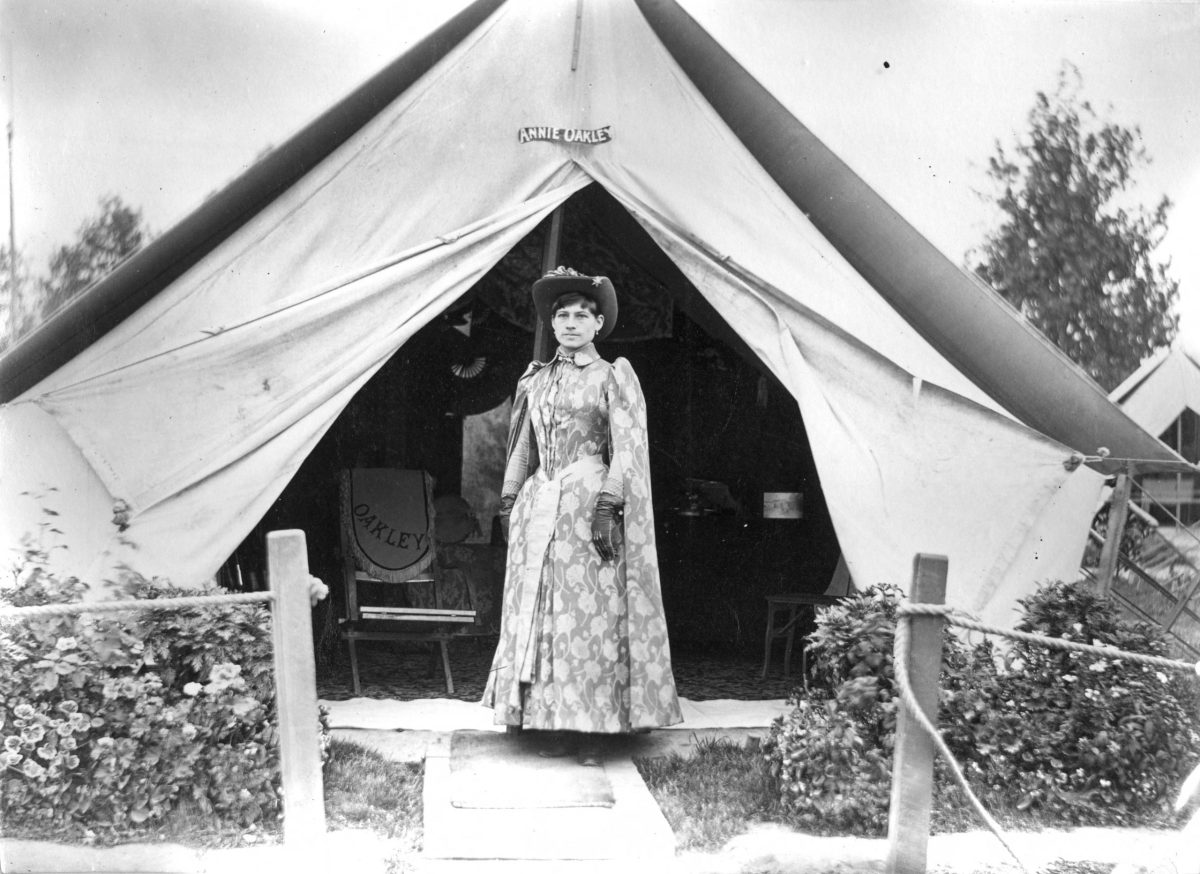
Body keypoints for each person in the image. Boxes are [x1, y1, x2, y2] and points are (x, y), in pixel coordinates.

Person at [482, 266, 682, 765]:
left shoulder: (612, 375)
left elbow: (627, 448)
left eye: (581, 316)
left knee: (587, 617)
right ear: (552, 324)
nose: (571, 323)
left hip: (585, 505)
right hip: (539, 508)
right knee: (543, 614)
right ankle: (548, 722)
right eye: (562, 316)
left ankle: (593, 729)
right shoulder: (535, 379)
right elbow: (523, 447)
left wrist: (609, 505)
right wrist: (509, 501)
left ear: (598, 324)